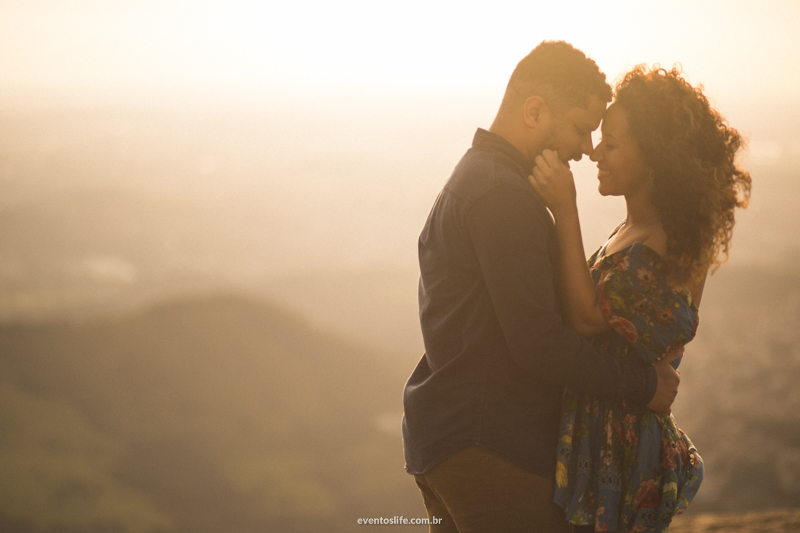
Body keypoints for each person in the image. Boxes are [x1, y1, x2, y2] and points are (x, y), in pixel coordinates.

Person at [402, 41, 682, 533]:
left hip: (454, 440)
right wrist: (644, 384)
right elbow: (538, 343)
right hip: (491, 448)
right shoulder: (500, 195)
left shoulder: (482, 178)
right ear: (535, 110)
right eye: (579, 128)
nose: (584, 148)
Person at [527, 65, 751, 532]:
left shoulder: (667, 241)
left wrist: (564, 209)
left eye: (611, 142)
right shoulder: (632, 231)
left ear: (652, 154)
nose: (595, 154)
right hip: (598, 433)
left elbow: (588, 319)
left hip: (623, 449)